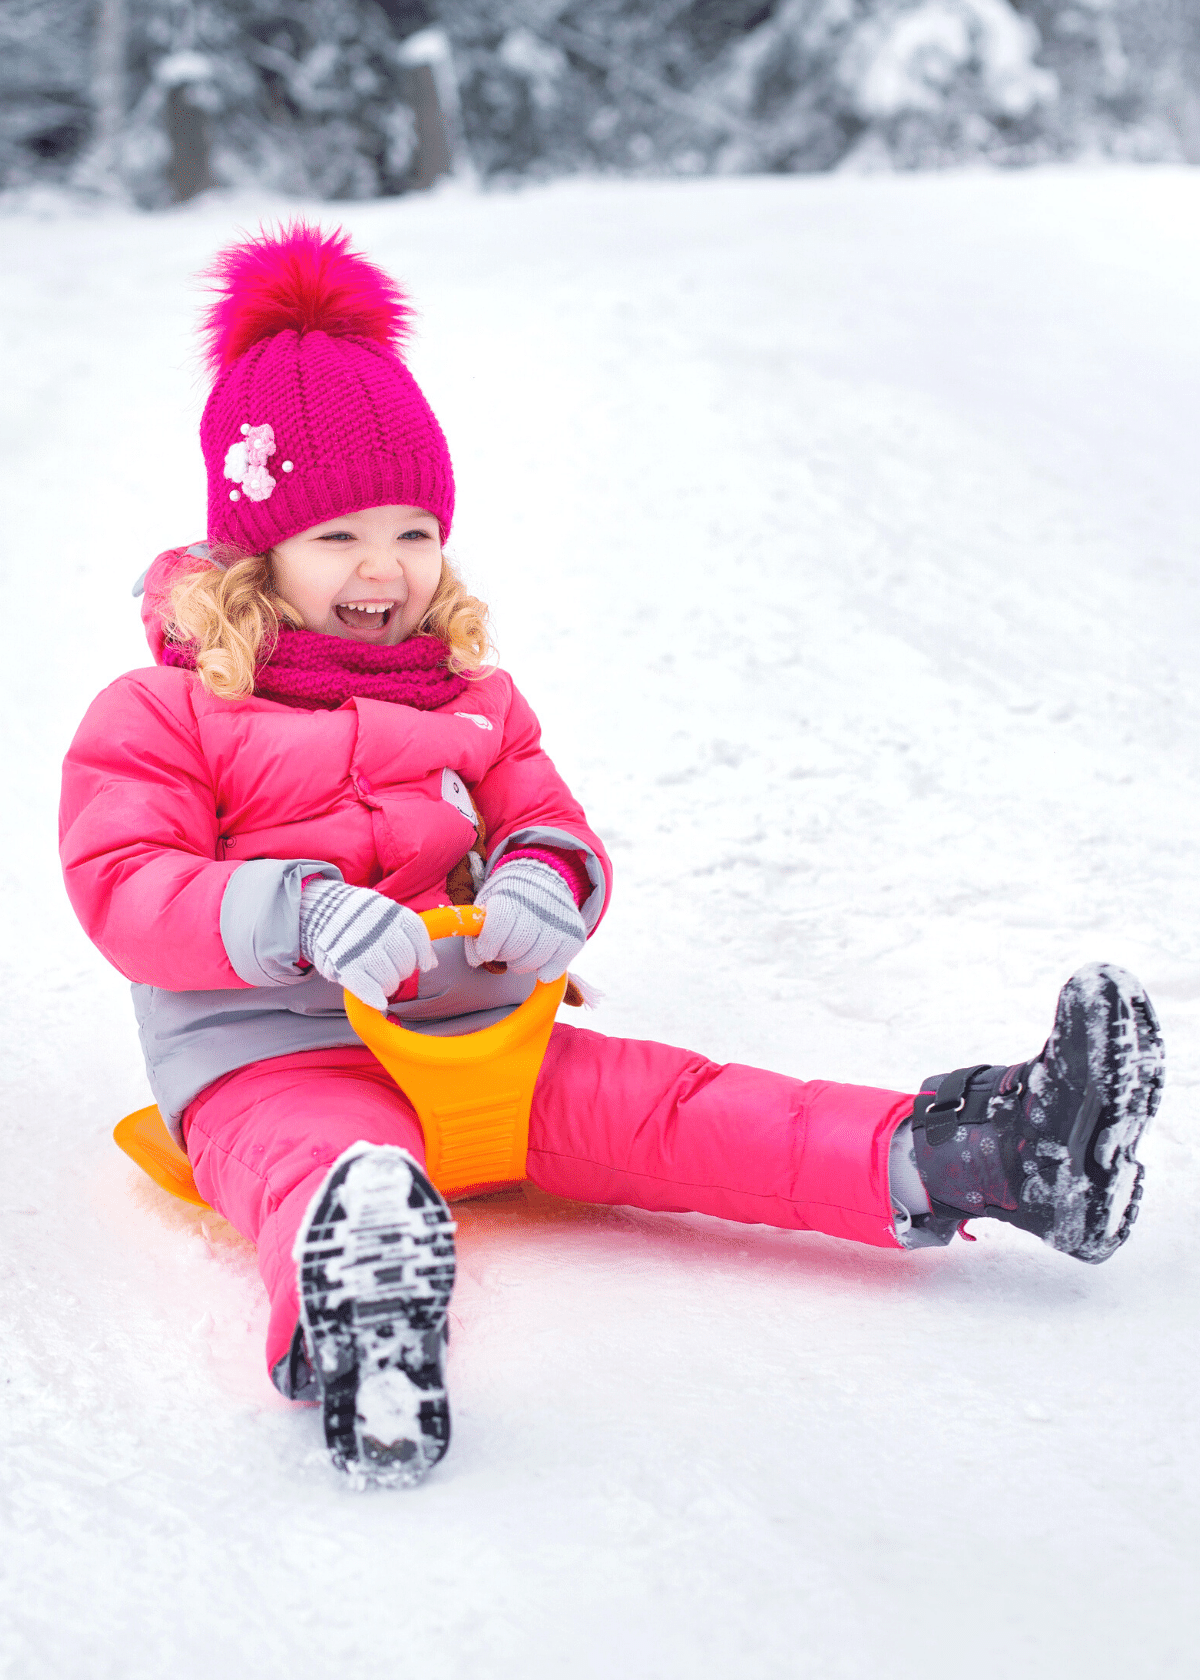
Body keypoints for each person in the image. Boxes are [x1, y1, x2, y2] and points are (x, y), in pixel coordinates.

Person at [59, 225, 1165, 1490]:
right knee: (328, 1162)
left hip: (480, 1039)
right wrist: (299, 911)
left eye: (416, 531)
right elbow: (124, 884)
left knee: (679, 1104)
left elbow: (552, 822)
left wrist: (547, 881)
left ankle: (992, 1157)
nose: (387, 570)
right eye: (340, 538)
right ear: (255, 552)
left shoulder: (472, 695)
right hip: (274, 1055)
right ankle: (363, 1309)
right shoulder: (164, 712)